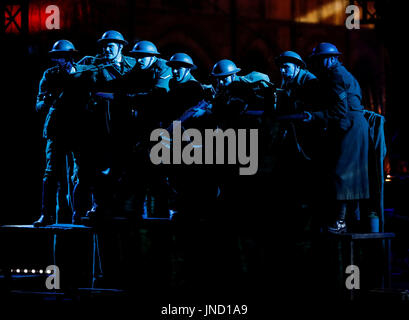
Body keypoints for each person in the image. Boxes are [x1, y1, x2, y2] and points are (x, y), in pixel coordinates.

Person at [305, 42, 370, 233]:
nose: (318, 63)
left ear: (332, 58)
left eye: (321, 59)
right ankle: (350, 219)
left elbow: (339, 110)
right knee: (349, 175)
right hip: (352, 126)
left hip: (349, 128)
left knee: (341, 173)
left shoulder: (336, 76)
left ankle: (340, 222)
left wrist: (314, 116)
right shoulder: (337, 74)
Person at [76, 30, 136, 223]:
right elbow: (81, 73)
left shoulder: (132, 65)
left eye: (110, 46)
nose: (106, 49)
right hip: (102, 124)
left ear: (120, 47)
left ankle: (123, 206)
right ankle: (99, 206)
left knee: (124, 167)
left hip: (125, 123)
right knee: (101, 168)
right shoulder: (95, 64)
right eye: (104, 46)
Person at [33, 40, 90, 226]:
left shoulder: (83, 72)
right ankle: (46, 214)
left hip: (78, 129)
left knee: (80, 173)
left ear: (70, 57)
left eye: (63, 56)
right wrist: (49, 99)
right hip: (57, 129)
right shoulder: (50, 75)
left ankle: (79, 212)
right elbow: (38, 104)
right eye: (57, 56)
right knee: (51, 173)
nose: (59, 60)